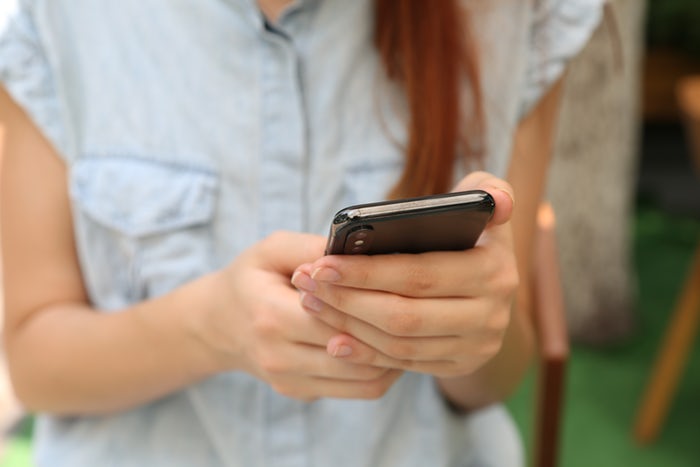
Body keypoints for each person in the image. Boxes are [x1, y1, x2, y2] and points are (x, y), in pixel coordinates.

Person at [0, 0, 603, 465]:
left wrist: (473, 332)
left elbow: (499, 374)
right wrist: (208, 329)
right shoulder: (55, 20)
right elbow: (35, 366)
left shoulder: (515, 15)